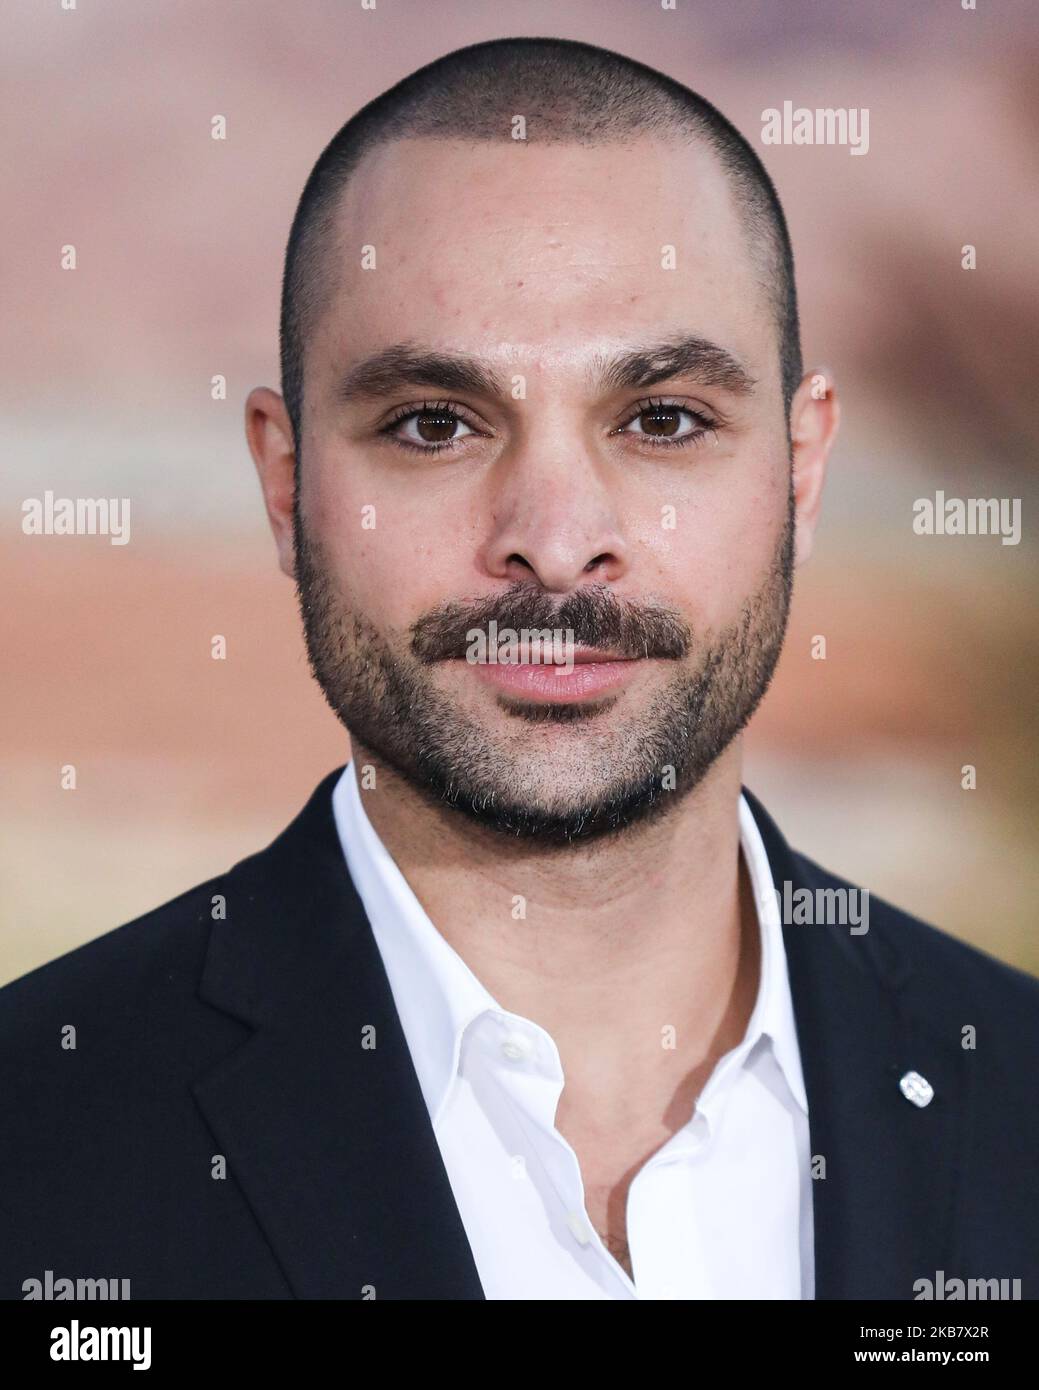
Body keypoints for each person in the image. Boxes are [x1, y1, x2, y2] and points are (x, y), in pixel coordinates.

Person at [3, 36, 1037, 1302]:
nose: (552, 540)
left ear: (800, 470)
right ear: (286, 483)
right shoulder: (36, 1145)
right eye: (434, 425)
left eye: (662, 420)